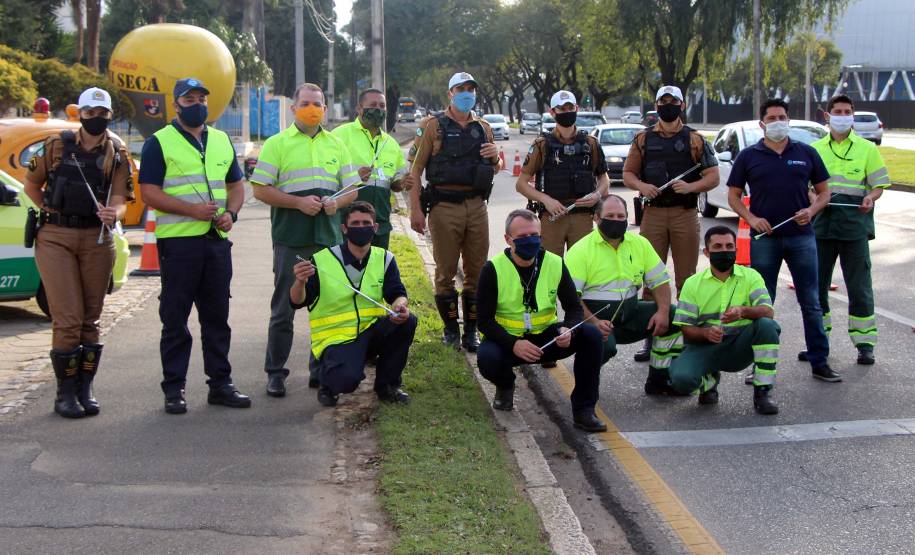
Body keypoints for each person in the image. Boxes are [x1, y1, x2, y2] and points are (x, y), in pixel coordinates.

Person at [139, 78, 248, 414]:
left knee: (217, 317)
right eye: (190, 98)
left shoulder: (220, 140)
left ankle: (220, 384)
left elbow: (236, 185)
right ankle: (174, 388)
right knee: (175, 318)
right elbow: (149, 192)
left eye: (202, 97)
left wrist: (231, 213)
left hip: (216, 243)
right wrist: (192, 211)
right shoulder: (159, 142)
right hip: (179, 244)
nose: (197, 103)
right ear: (176, 104)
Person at [23, 87, 133, 418]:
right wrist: (48, 207)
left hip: (96, 237)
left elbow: (121, 199)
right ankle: (64, 393)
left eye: (102, 114)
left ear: (109, 116)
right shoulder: (57, 145)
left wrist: (114, 214)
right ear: (80, 114)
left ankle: (85, 387)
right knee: (68, 319)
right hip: (56, 236)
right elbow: (31, 184)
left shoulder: (117, 151)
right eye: (90, 113)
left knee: (91, 319)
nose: (96, 119)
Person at [251, 82, 360, 398]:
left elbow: (351, 189)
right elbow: (260, 189)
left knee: (325, 308)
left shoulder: (336, 145)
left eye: (318, 104)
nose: (313, 109)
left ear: (326, 109)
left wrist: (335, 204)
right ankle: (275, 372)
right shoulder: (277, 144)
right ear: (293, 107)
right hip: (291, 239)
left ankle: (319, 370)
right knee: (284, 308)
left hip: (327, 239)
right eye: (307, 103)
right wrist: (298, 202)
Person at [727, 98, 840, 383]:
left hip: (801, 238)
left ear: (788, 120)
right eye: (773, 118)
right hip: (765, 238)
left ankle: (819, 361)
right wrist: (751, 219)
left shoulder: (806, 153)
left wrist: (812, 211)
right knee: (763, 304)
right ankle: (760, 365)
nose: (779, 122)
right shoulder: (748, 156)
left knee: (811, 302)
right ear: (762, 124)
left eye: (783, 117)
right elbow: (733, 197)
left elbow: (825, 192)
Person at [476, 209, 606, 432]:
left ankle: (584, 410)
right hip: (509, 342)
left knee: (591, 335)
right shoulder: (493, 269)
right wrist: (514, 344)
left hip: (548, 338)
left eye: (534, 235)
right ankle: (506, 385)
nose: (530, 241)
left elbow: (574, 307)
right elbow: (484, 321)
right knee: (487, 358)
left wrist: (568, 330)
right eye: (523, 237)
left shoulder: (555, 263)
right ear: (508, 239)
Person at [403, 71, 503, 353]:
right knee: (445, 271)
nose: (467, 93)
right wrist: (415, 210)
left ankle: (471, 331)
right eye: (461, 88)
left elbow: (495, 166)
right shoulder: (433, 125)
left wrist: (496, 156)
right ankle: (450, 330)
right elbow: (416, 170)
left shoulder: (483, 126)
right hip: (443, 206)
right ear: (450, 93)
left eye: (471, 88)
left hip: (476, 206)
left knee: (477, 271)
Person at [622, 85, 720, 363]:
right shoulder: (642, 138)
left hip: (684, 214)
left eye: (672, 101)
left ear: (682, 105)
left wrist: (690, 187)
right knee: (651, 278)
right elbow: (628, 173)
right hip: (653, 214)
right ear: (656, 105)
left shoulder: (696, 139)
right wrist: (642, 186)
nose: (668, 106)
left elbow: (713, 176)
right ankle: (651, 338)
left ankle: (687, 336)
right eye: (663, 102)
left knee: (687, 279)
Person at [290, 201, 416, 407]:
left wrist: (400, 306)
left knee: (407, 321)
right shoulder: (321, 261)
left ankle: (387, 386)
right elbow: (297, 301)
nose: (361, 227)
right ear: (344, 229)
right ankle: (327, 382)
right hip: (337, 338)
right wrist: (299, 281)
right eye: (355, 223)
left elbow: (397, 293)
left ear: (375, 228)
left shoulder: (384, 258)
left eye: (366, 223)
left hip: (371, 330)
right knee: (346, 381)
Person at [565, 195, 684, 395]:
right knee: (605, 347)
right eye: (610, 215)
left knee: (675, 317)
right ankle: (584, 389)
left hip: (630, 314)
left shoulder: (640, 243)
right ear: (596, 217)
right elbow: (571, 299)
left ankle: (659, 379)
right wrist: (594, 323)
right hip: (594, 319)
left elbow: (660, 282)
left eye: (621, 216)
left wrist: (663, 311)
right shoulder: (581, 250)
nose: (616, 220)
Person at [808, 94, 890, 366]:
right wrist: (812, 199)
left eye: (847, 111)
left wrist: (871, 197)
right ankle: (819, 344)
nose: (843, 115)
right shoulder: (815, 148)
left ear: (852, 115)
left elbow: (877, 185)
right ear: (827, 116)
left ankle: (865, 343)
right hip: (822, 225)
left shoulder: (867, 148)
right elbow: (807, 186)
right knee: (816, 287)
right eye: (838, 111)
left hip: (855, 225)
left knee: (860, 287)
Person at [669, 226, 780, 415]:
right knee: (680, 380)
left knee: (768, 326)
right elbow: (685, 328)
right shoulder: (692, 284)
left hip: (739, 346)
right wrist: (705, 333)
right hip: (705, 345)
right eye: (718, 246)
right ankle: (709, 381)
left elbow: (768, 312)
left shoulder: (751, 277)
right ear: (706, 252)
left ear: (736, 250)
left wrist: (743, 311)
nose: (724, 251)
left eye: (729, 246)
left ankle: (763, 392)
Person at [515, 90, 610, 255]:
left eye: (570, 107)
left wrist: (597, 194)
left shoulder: (591, 143)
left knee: (582, 269)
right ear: (553, 112)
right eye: (561, 109)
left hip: (582, 217)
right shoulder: (542, 145)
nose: (567, 112)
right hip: (552, 217)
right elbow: (521, 184)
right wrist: (546, 199)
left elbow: (604, 178)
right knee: (551, 269)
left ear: (576, 108)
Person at [331, 88, 408, 249]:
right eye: (373, 105)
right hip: (347, 225)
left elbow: (395, 183)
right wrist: (354, 176)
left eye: (382, 106)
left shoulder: (391, 143)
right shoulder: (338, 136)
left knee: (377, 272)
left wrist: (402, 183)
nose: (378, 109)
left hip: (379, 226)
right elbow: (326, 175)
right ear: (359, 108)